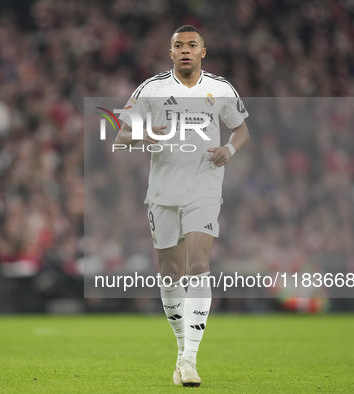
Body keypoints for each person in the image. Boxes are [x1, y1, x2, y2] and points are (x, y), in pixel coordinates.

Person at [115, 25, 250, 387]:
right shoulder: (151, 89)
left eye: (192, 45)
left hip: (204, 187)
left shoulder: (220, 89)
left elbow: (241, 129)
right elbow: (120, 134)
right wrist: (146, 133)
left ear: (203, 52)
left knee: (198, 264)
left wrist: (229, 150)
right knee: (170, 274)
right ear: (171, 53)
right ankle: (181, 351)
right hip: (162, 192)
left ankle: (189, 360)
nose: (186, 50)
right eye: (179, 46)